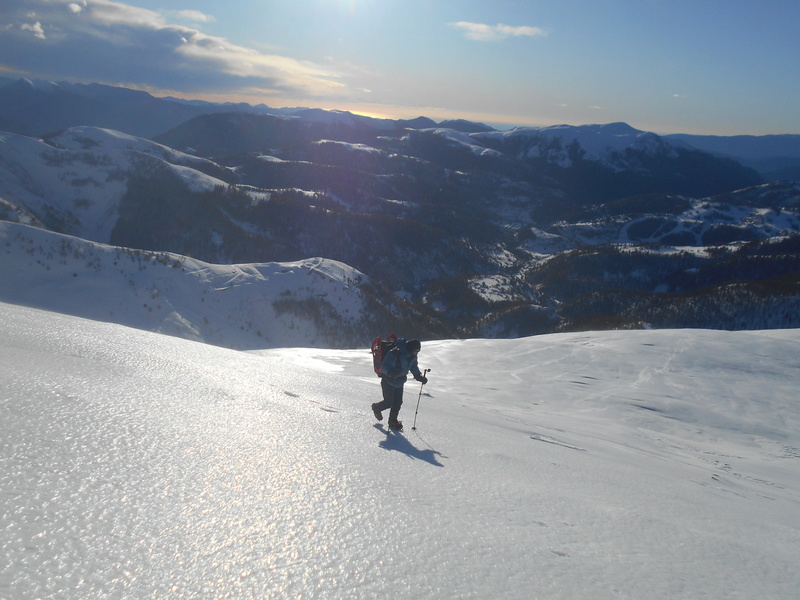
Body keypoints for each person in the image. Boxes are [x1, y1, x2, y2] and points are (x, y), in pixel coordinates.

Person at [372, 338, 428, 431]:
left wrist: (418, 376)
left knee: (398, 403)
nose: (416, 353)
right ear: (410, 348)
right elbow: (383, 366)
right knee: (389, 402)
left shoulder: (412, 356)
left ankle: (392, 421)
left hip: (399, 381)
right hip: (388, 381)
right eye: (415, 351)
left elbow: (413, 366)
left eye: (417, 351)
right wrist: (390, 372)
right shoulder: (395, 352)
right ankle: (376, 408)